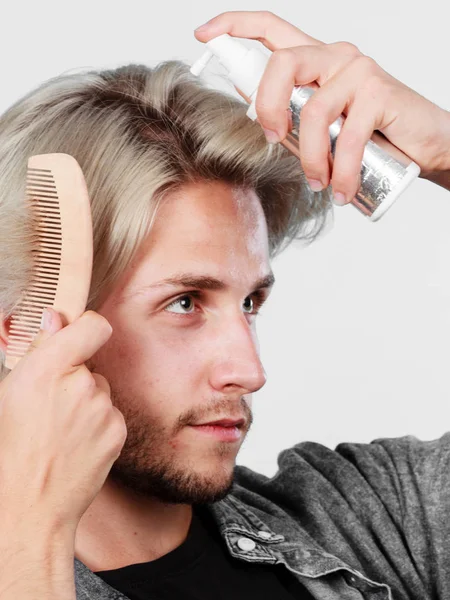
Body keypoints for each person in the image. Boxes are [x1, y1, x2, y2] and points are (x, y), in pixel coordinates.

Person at [0, 9, 448, 600]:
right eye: (185, 302)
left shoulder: (369, 522)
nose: (250, 371)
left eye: (251, 301)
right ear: (24, 328)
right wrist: (30, 537)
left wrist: (444, 148)